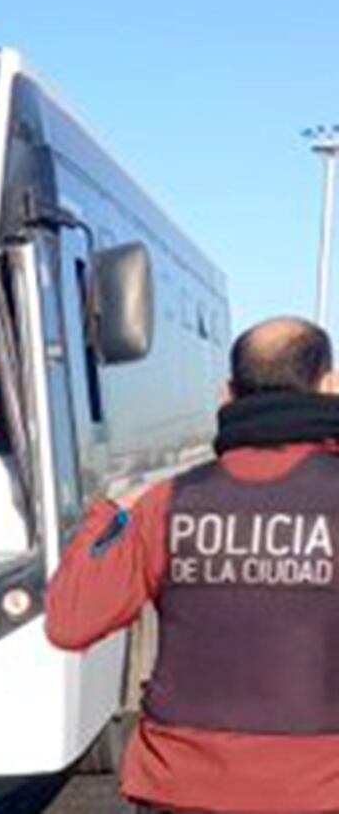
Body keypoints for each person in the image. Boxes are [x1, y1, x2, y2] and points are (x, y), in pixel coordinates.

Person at [46, 317, 339, 814]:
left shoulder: (167, 503)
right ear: (330, 386)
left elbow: (70, 622)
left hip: (179, 788)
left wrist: (106, 517)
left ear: (228, 394)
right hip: (317, 789)